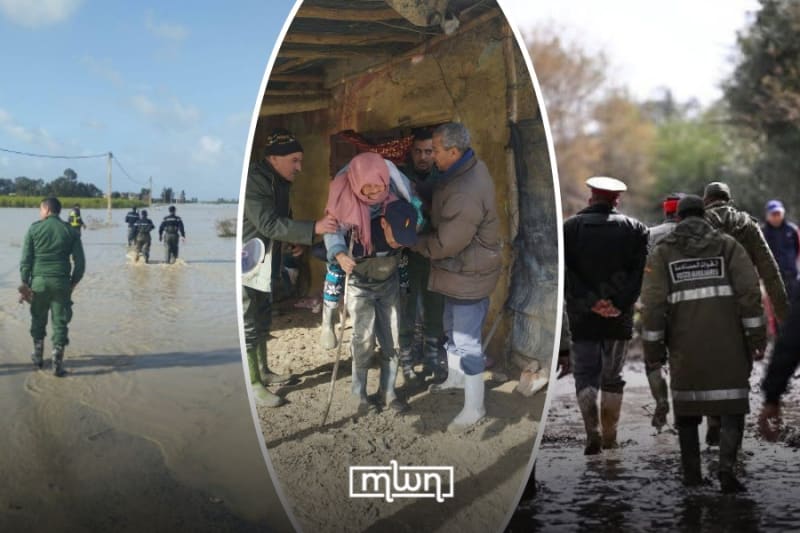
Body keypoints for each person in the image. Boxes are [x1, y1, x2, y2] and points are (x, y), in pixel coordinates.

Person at [641, 195, 765, 493]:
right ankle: (726, 472)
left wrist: (654, 351)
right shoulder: (728, 246)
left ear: (680, 219)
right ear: (705, 215)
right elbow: (750, 294)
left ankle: (692, 475)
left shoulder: (663, 253)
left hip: (685, 350)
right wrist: (757, 339)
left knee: (687, 412)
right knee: (732, 406)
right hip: (730, 346)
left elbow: (653, 307)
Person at [412, 122, 502, 433]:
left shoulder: (465, 191)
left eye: (435, 150)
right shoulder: (464, 169)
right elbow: (441, 195)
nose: (431, 156)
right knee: (452, 329)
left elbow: (443, 245)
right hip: (460, 271)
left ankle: (474, 407)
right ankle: (456, 377)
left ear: (453, 151)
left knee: (467, 341)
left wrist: (409, 240)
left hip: (469, 273)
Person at [241, 128, 337, 407]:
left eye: (300, 160)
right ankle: (253, 383)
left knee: (261, 316)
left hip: (266, 258)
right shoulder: (254, 182)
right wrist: (314, 228)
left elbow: (281, 218)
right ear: (274, 158)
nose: (300, 167)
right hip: (248, 261)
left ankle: (263, 371)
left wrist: (291, 243)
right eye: (295, 160)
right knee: (247, 321)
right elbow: (267, 224)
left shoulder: (278, 180)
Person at [325, 152, 421, 414]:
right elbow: (332, 230)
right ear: (356, 181)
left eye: (378, 185)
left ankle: (388, 391)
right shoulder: (345, 200)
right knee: (363, 340)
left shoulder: (397, 195)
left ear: (385, 180)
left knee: (392, 340)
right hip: (359, 283)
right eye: (366, 187)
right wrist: (340, 253)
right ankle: (359, 394)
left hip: (388, 281)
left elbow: (415, 218)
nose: (372, 191)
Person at [563, 176, 649, 454]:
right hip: (619, 316)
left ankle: (592, 432)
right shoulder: (636, 229)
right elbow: (637, 276)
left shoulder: (570, 228)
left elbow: (566, 274)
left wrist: (590, 302)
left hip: (581, 314)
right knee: (613, 376)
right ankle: (611, 435)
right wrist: (617, 304)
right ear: (616, 200)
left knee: (585, 374)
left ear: (591, 199)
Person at [703, 182, 787, 446]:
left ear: (707, 201)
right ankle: (732, 430)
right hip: (743, 304)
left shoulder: (699, 223)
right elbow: (770, 271)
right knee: (741, 365)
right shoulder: (748, 226)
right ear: (730, 200)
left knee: (709, 362)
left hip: (705, 304)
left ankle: (714, 418)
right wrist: (785, 316)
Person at [398, 128, 445, 382]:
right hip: (407, 253)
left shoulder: (444, 177)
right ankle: (406, 358)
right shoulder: (401, 177)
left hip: (434, 254)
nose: (423, 157)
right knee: (406, 304)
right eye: (418, 151)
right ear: (411, 152)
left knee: (434, 304)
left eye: (428, 151)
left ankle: (432, 355)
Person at [20, 197, 85, 377]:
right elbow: (80, 264)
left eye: (41, 210)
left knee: (38, 319)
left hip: (39, 283)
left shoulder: (34, 229)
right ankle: (57, 364)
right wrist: (72, 284)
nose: (40, 213)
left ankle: (38, 358)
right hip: (61, 283)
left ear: (47, 210)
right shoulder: (70, 232)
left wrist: (25, 283)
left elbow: (25, 260)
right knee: (60, 322)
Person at [761, 199, 800, 300]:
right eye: (773, 214)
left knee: (794, 310)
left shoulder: (792, 230)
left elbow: (797, 250)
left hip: (792, 277)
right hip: (772, 279)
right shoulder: (761, 233)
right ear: (767, 215)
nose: (776, 217)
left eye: (778, 213)